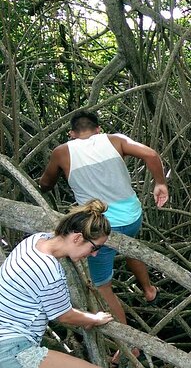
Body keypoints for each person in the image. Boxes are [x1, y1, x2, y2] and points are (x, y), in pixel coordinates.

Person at [39, 111, 168, 339]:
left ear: (71, 134)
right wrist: (160, 184)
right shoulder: (115, 139)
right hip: (132, 218)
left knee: (101, 285)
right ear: (98, 129)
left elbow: (46, 182)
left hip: (99, 229)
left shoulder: (62, 152)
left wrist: (48, 184)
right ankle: (149, 291)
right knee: (130, 246)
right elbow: (150, 154)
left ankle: (130, 344)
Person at [0, 200, 115, 368]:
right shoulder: (49, 271)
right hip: (11, 347)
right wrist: (95, 318)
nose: (95, 254)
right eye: (94, 248)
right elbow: (64, 315)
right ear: (77, 238)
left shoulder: (35, 240)